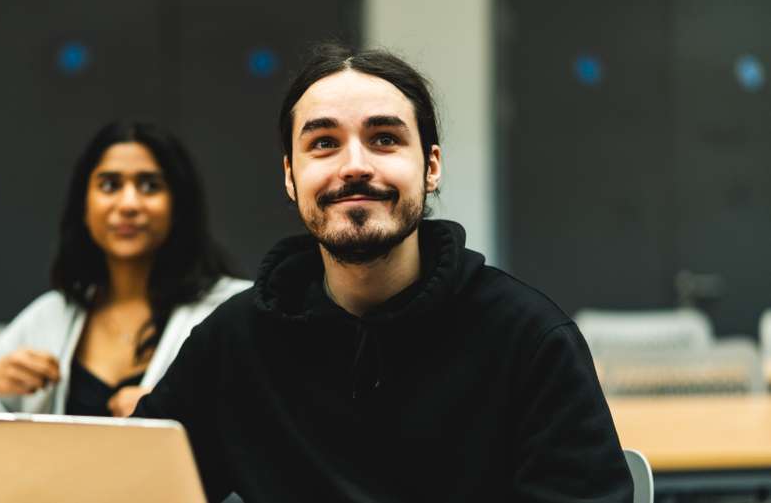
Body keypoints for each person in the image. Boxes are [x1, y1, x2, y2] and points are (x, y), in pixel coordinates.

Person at [133, 45, 633, 502]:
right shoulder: (234, 340)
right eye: (324, 143)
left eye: (384, 139)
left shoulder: (530, 339)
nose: (354, 165)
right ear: (290, 175)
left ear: (431, 166)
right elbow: (129, 487)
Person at [0, 120, 251, 417]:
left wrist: (175, 410)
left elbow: (269, 427)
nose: (128, 203)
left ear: (178, 205)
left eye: (149, 186)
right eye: (109, 185)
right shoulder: (49, 316)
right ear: (84, 207)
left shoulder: (231, 311)